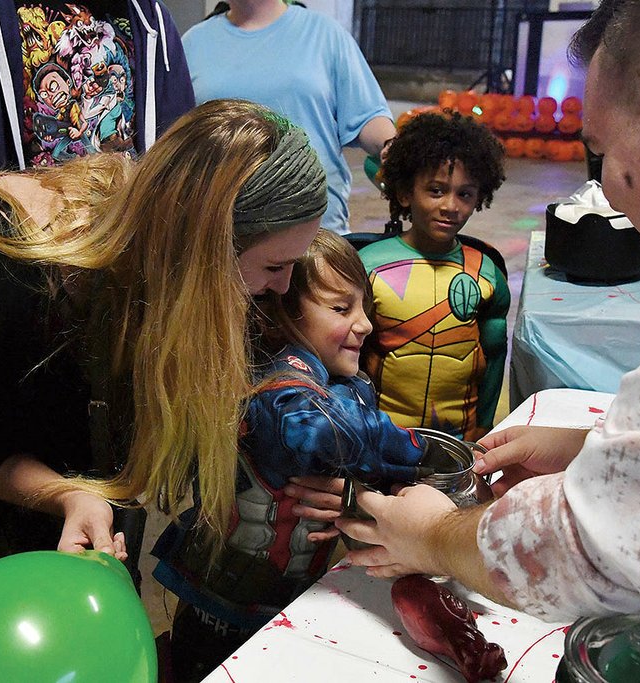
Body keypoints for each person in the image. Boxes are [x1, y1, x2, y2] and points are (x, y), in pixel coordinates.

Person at [336, 0, 640, 621]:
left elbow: (609, 549)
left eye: (600, 157)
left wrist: (435, 535)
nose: (607, 198)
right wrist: (592, 447)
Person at [0, 99, 327, 569]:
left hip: (97, 522)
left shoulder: (163, 245)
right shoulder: (14, 274)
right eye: (274, 266)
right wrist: (65, 495)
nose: (283, 287)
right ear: (199, 254)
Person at [151, 228, 444, 681]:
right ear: (281, 314)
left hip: (296, 591)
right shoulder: (278, 391)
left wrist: (366, 492)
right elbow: (324, 433)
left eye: (364, 306)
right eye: (342, 308)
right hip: (229, 604)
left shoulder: (339, 380)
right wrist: (424, 451)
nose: (365, 323)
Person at [180, 0, 397, 234]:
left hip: (317, 230)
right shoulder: (193, 43)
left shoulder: (325, 34)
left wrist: (397, 149)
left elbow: (367, 117)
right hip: (221, 229)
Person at [359, 111, 509, 441]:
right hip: (380, 441)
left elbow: (494, 356)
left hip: (458, 445)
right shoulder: (365, 267)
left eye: (465, 194)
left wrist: (483, 428)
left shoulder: (487, 272)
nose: (451, 206)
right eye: (436, 190)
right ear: (403, 194)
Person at [0, 0, 194, 169]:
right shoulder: (1, 16)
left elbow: (179, 148)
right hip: (37, 209)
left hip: (125, 209)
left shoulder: (150, 19)